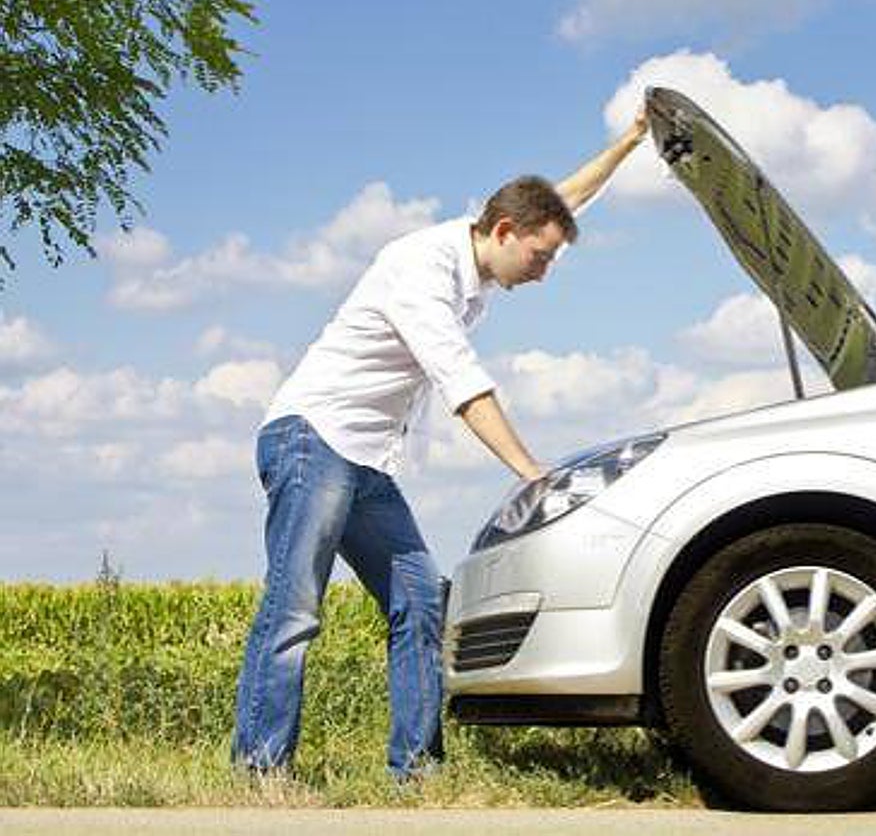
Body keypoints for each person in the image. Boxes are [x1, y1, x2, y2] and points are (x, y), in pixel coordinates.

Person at [231, 110, 649, 778]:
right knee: (294, 608)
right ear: (505, 232)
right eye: (540, 257)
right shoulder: (420, 268)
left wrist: (628, 143)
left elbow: (565, 200)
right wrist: (531, 472)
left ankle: (417, 772)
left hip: (366, 461)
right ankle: (259, 771)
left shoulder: (491, 250)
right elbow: (463, 386)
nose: (545, 272)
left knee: (423, 601)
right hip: (312, 440)